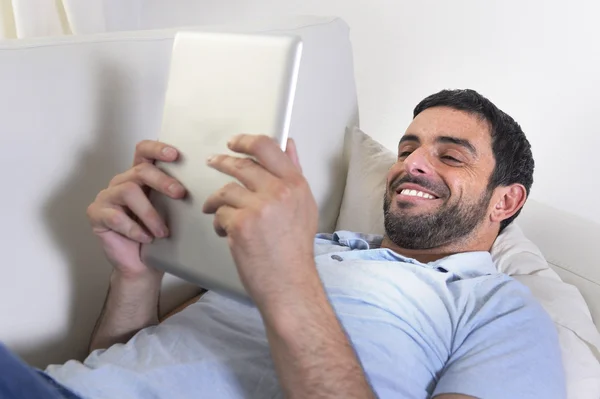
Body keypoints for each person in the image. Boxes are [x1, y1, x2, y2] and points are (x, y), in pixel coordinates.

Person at [0, 89, 565, 399]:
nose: (412, 162)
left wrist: (288, 280)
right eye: (408, 146)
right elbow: (132, 358)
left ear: (505, 201)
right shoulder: (311, 245)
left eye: (450, 154)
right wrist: (136, 274)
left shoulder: (503, 311)